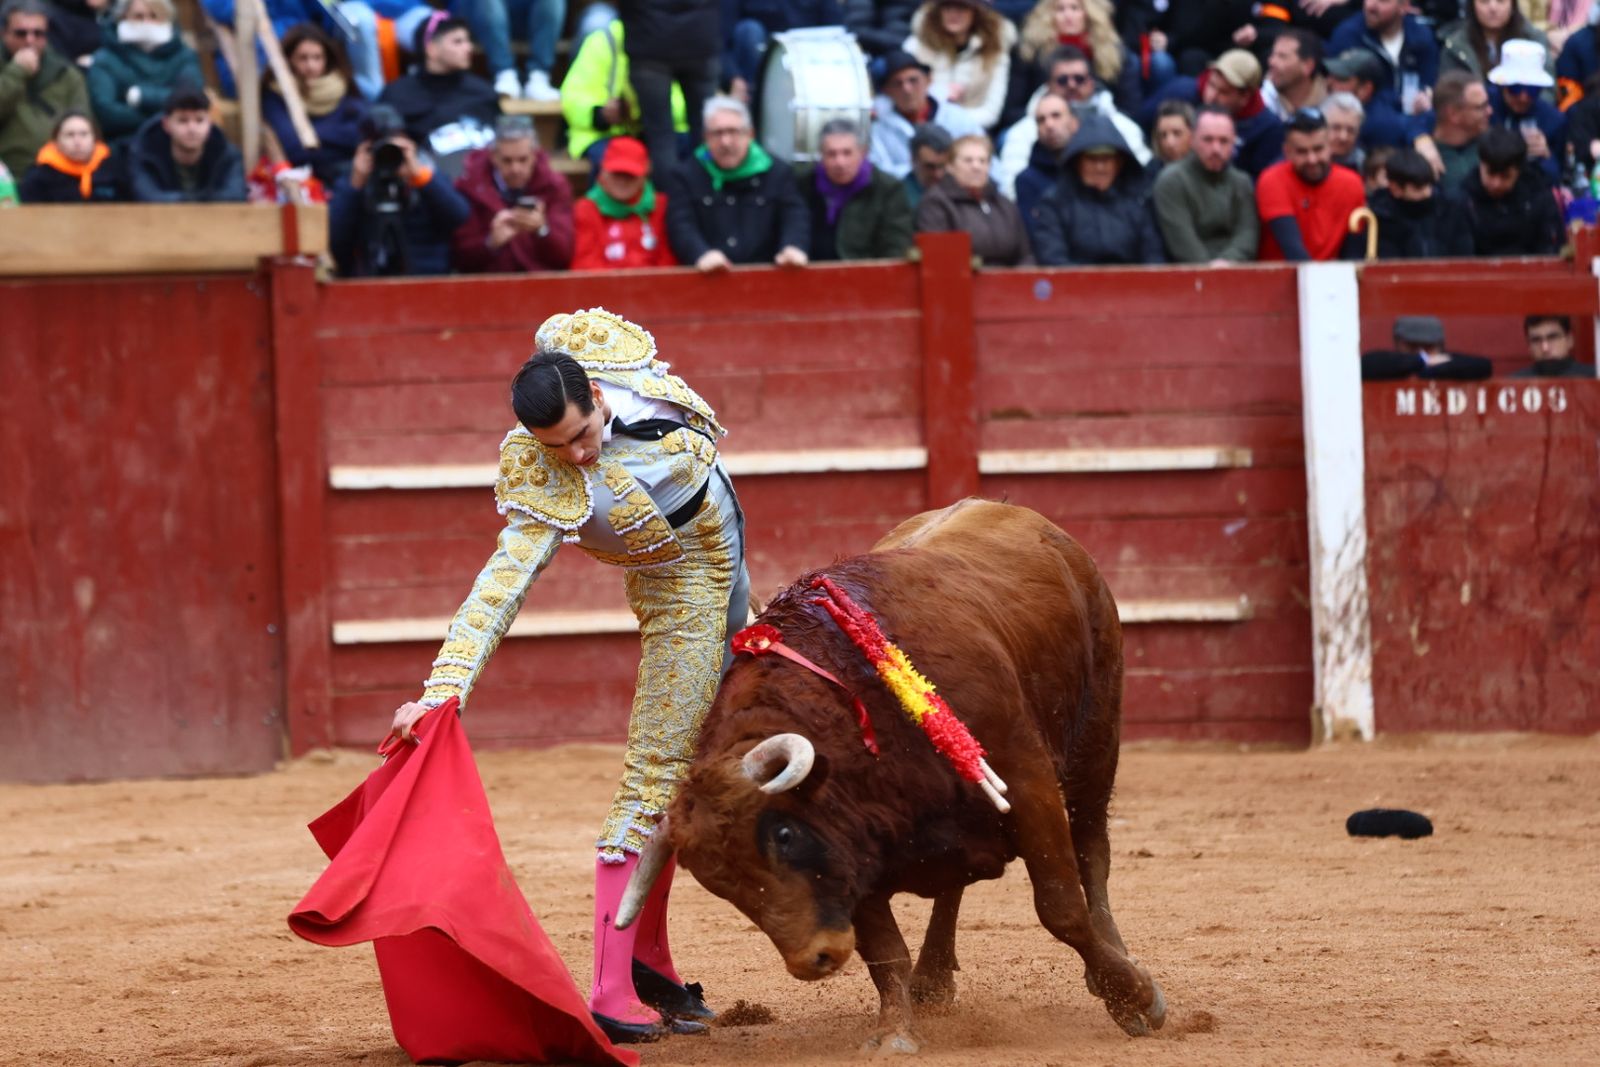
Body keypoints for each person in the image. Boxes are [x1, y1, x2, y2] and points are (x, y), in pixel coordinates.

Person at [384, 312, 749, 1044]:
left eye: (582, 435)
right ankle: (612, 989)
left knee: (693, 776)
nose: (577, 457)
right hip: (682, 600)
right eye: (558, 448)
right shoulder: (544, 474)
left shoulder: (604, 356)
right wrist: (442, 689)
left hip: (736, 580)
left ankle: (651, 964)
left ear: (598, 394)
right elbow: (497, 589)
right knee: (654, 778)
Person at [665, 95, 809, 271]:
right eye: (717, 133)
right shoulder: (686, 175)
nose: (726, 142)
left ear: (750, 134)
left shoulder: (777, 172)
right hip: (709, 279)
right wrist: (700, 253)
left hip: (767, 279)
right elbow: (681, 224)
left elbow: (795, 216)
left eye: (733, 131)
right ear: (705, 137)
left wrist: (793, 246)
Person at [329, 103, 472, 275]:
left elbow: (459, 215)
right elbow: (334, 238)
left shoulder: (425, 170)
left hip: (427, 280)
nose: (388, 152)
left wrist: (421, 177)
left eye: (395, 143)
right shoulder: (353, 178)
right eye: (380, 145)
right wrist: (354, 185)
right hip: (370, 283)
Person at [996, 44, 1148, 196]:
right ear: (1048, 85)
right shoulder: (1024, 130)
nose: (1071, 85)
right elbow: (1011, 188)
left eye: (1079, 79)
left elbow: (1141, 174)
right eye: (1062, 80)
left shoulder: (1120, 124)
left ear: (1091, 83)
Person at [378, 13, 500, 180]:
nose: (469, 47)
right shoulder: (397, 94)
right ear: (431, 49)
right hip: (426, 188)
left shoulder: (483, 91)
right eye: (458, 41)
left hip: (486, 185)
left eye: (468, 41)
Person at [1030, 113, 1162, 265]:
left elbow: (1153, 258)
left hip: (1134, 286)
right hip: (1074, 286)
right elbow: (1053, 259)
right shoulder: (1054, 204)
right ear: (1077, 162)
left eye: (1106, 159)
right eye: (1092, 159)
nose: (1100, 167)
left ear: (1119, 163)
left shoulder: (1138, 201)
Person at [561, 15, 688, 172]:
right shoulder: (603, 41)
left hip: (657, 131)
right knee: (615, 162)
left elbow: (687, 102)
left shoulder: (672, 43)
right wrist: (600, 113)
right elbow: (573, 96)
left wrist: (641, 109)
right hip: (605, 134)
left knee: (692, 150)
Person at [452, 115, 574, 273]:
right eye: (507, 161)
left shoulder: (555, 186)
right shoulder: (469, 186)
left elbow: (564, 256)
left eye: (523, 160)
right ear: (493, 157)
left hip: (540, 286)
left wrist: (542, 230)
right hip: (488, 286)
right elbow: (459, 257)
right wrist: (490, 243)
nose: (515, 169)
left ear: (534, 155)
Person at [262, 24, 369, 187]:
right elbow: (294, 149)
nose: (311, 66)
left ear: (327, 59)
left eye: (317, 58)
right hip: (305, 182)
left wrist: (314, 136)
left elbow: (360, 135)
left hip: (349, 174)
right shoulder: (275, 94)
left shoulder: (343, 86)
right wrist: (339, 136)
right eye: (303, 58)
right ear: (289, 59)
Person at [795, 117, 914, 260]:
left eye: (847, 153)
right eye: (831, 154)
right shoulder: (803, 184)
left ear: (863, 153)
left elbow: (896, 246)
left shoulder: (888, 189)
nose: (840, 162)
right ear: (821, 154)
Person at [85, 0, 203, 145]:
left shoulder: (184, 56)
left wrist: (141, 96)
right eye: (138, 17)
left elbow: (190, 98)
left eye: (154, 16)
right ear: (122, 19)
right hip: (124, 145)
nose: (146, 23)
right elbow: (107, 112)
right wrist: (167, 117)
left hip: (176, 144)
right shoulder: (105, 59)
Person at [1256, 107, 1367, 261]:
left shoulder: (1352, 183)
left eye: (1318, 149)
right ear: (1287, 152)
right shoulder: (1272, 179)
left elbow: (1353, 252)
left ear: (1329, 146)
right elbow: (1292, 249)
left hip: (1334, 277)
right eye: (1302, 152)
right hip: (1281, 278)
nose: (1312, 159)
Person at [621, 0, 720, 172]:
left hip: (649, 44)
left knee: (661, 137)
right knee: (705, 131)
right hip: (699, 39)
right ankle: (706, 193)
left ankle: (674, 196)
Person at [1152, 107, 1258, 264]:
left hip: (1235, 272)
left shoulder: (1241, 182)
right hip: (1187, 277)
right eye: (1208, 140)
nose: (1216, 149)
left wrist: (1227, 262)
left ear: (1233, 142)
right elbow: (1182, 243)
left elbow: (1248, 234)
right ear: (1193, 140)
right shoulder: (1171, 180)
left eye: (1223, 141)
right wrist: (1211, 271)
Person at [0, 0, 90, 179]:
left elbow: (85, 124)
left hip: (58, 175)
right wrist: (16, 73)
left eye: (38, 33)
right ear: (4, 34)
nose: (30, 40)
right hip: (6, 176)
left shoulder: (66, 74)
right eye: (21, 33)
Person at [915, 131, 1032, 263]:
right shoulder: (935, 203)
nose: (977, 167)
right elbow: (939, 258)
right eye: (968, 160)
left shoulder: (1004, 204)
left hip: (1009, 281)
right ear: (950, 166)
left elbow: (1025, 254)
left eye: (983, 161)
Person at [1011, 0, 1138, 122]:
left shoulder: (1113, 52)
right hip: (1043, 125)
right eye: (1060, 9)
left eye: (1075, 8)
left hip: (1101, 123)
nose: (1068, 15)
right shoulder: (1030, 52)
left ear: (1089, 13)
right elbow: (1012, 109)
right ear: (1047, 15)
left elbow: (1130, 108)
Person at [868, 49, 984, 179]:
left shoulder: (958, 117)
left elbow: (985, 160)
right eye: (897, 83)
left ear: (928, 80)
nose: (907, 89)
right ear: (886, 90)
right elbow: (879, 174)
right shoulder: (879, 130)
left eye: (913, 80)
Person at [903, 0, 1016, 129]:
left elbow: (991, 113)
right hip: (918, 128)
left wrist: (951, 121)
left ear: (977, 12)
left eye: (962, 7)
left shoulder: (994, 51)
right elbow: (901, 96)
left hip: (971, 133)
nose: (953, 13)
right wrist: (938, 93)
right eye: (947, 6)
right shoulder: (916, 45)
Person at [571, 135, 677, 269]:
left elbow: (668, 264)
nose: (622, 181)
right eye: (616, 173)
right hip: (604, 289)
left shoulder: (661, 206)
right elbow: (585, 266)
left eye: (630, 175)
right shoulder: (586, 209)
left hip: (655, 288)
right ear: (603, 171)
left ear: (645, 173)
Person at [126, 86, 246, 201]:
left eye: (199, 120)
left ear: (210, 123)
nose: (192, 128)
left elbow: (236, 196)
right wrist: (201, 202)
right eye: (183, 120)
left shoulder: (227, 154)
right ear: (166, 125)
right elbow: (147, 197)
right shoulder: (144, 152)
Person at [1462, 125, 1564, 255]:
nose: (1496, 184)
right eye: (1490, 174)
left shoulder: (1538, 193)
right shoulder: (1464, 199)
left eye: (1505, 176)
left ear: (1519, 171)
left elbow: (1551, 246)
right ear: (1481, 165)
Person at [1326, 0, 1440, 115]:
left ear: (1404, 6)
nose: (1370, 6)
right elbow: (1340, 89)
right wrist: (1398, 101)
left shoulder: (1422, 37)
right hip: (1363, 118)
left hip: (1416, 117)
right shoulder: (1347, 35)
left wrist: (1425, 96)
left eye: (1382, 1)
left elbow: (1429, 82)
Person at [722, 0, 844, 100]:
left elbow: (836, 33)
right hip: (757, 72)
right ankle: (754, 105)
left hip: (808, 66)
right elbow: (721, 40)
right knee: (749, 30)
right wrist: (733, 77)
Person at [1368, 147, 1474, 258]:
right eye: (1418, 188)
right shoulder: (1380, 218)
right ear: (1395, 189)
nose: (1427, 192)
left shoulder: (1450, 210)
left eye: (1428, 185)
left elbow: (1464, 255)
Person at [1487, 39, 1564, 184]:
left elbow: (1558, 177)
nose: (1523, 97)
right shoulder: (1484, 108)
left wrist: (1545, 156)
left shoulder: (1553, 120)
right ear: (1503, 85)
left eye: (1532, 90)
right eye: (1515, 88)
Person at [1415, 71, 1492, 193]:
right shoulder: (1420, 159)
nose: (1489, 111)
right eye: (1480, 107)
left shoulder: (1492, 144)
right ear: (1453, 114)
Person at [1439, 0, 1552, 82]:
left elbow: (1547, 91)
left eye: (1501, 1)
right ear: (1472, 6)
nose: (1493, 8)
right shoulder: (1456, 45)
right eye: (1484, 1)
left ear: (1512, 5)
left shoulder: (1533, 39)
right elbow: (1450, 93)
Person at [18, 109, 118, 201]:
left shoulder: (113, 169)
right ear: (56, 141)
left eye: (84, 134)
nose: (77, 142)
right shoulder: (39, 176)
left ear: (95, 139)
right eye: (70, 135)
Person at [1324, 47, 1411, 150]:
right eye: (1331, 76)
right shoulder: (1384, 100)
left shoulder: (1378, 125)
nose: (1330, 83)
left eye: (1341, 79)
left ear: (1365, 89)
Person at [1360, 315, 1493, 379]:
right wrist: (1422, 361)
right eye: (1412, 346)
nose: (1420, 351)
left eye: (1427, 347)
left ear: (1440, 345)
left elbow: (1484, 366)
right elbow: (1364, 366)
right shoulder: (1386, 364)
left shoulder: (1446, 361)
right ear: (1397, 342)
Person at [1014, 90, 1075, 223]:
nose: (1049, 125)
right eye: (1041, 120)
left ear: (1073, 121)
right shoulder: (1027, 181)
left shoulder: (1093, 168)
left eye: (1056, 116)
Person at [1262, 28, 1328, 122]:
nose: (1271, 62)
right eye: (1273, 55)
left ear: (1308, 66)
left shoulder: (1331, 107)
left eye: (1282, 56)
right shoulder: (1261, 104)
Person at [1513, 314, 1596, 376]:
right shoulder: (1514, 384)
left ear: (1569, 340)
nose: (1545, 348)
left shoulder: (1594, 377)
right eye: (1536, 340)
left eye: (1553, 338)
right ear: (1529, 346)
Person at [903, 122, 953, 208]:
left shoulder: (963, 191)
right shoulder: (899, 199)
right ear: (913, 160)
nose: (938, 174)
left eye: (942, 166)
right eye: (930, 167)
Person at [1324, 91, 1366, 170]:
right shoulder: (1307, 161)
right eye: (1336, 128)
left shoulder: (1364, 166)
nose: (1343, 137)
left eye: (1350, 130)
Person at [1150, 98, 1194, 169]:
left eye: (1177, 133)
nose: (1169, 143)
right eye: (1163, 135)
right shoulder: (1152, 171)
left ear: (1193, 133)